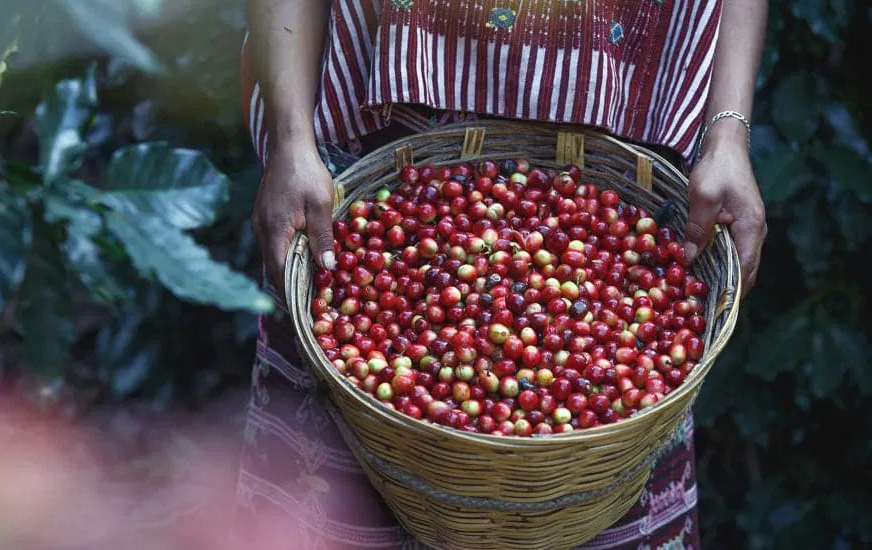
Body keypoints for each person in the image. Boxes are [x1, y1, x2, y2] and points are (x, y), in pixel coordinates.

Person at [236, 1, 768, 548]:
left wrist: (729, 136)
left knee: (611, 449)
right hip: (360, 179)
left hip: (626, 176)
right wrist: (290, 139)